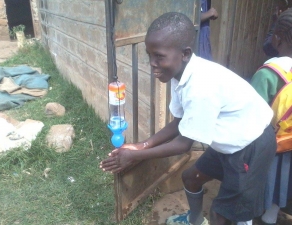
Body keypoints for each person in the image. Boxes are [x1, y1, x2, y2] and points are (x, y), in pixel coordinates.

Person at [100, 12, 277, 225]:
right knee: (191, 177)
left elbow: (183, 144)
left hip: (251, 145)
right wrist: (140, 145)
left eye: (159, 56)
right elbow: (179, 122)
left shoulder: (201, 87)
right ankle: (194, 221)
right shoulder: (180, 74)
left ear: (185, 53)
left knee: (225, 213)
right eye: (149, 55)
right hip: (229, 142)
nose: (152, 63)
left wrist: (136, 156)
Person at [251, 8, 292, 225]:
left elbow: (250, 116)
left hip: (270, 143)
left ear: (276, 38)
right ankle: (271, 217)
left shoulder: (268, 74)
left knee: (264, 178)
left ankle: (253, 214)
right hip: (290, 141)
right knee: (282, 180)